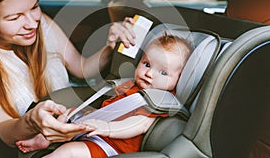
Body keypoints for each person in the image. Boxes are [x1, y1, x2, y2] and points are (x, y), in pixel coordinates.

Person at [0, 0, 135, 157]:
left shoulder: (43, 24)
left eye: (34, 7)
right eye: (15, 18)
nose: (32, 23)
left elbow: (82, 68)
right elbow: (2, 129)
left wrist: (110, 46)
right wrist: (31, 121)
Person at [16, 33, 193, 157]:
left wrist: (106, 128)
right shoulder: (130, 85)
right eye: (147, 64)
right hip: (95, 128)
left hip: (111, 145)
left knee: (68, 152)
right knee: (65, 114)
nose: (149, 73)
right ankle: (42, 140)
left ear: (179, 79)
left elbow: (138, 125)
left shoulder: (159, 101)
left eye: (163, 72)